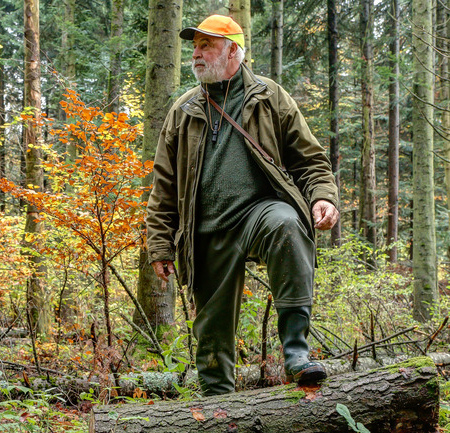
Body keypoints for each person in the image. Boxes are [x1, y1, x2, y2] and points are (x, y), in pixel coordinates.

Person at [145, 15, 339, 396]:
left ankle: (297, 354)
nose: (197, 54)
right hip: (205, 231)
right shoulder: (183, 110)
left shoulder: (269, 97)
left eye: (207, 46)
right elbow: (163, 185)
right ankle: (218, 410)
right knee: (212, 336)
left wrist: (322, 196)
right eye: (195, 47)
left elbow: (310, 159)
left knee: (286, 223)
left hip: (258, 213)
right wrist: (161, 244)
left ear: (233, 50)